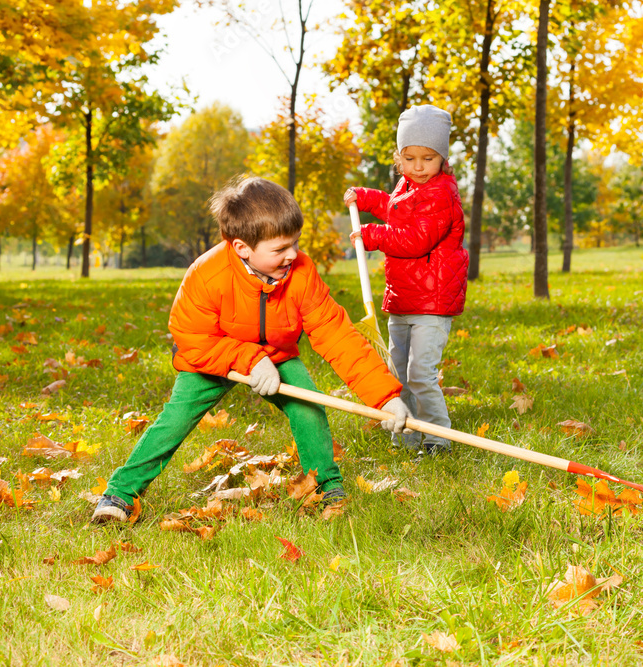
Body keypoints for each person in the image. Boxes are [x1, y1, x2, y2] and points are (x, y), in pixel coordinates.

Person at [93, 176, 412, 523]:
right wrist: (248, 359)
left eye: (295, 243)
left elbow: (337, 334)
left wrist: (384, 398)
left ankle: (326, 487)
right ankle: (120, 495)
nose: (292, 254)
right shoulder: (207, 275)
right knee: (175, 420)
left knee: (308, 408)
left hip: (277, 353)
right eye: (279, 249)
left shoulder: (301, 272)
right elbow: (191, 338)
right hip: (214, 358)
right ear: (242, 247)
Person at [344, 104, 468, 455]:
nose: (418, 166)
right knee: (398, 373)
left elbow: (416, 240)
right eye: (409, 158)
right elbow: (393, 209)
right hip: (403, 297)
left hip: (432, 301)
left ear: (441, 158)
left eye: (427, 158)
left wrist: (372, 235)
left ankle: (438, 438)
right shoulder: (408, 186)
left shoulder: (442, 194)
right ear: (399, 158)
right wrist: (365, 198)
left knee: (420, 374)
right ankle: (408, 433)